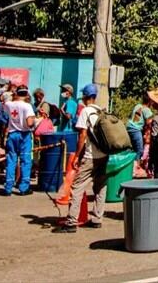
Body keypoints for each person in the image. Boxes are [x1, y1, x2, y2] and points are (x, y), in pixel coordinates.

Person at [55, 84, 106, 233]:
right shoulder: (101, 111)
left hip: (90, 156)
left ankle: (71, 222)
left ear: (85, 96)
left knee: (77, 187)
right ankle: (97, 219)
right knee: (100, 187)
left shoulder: (86, 111)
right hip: (103, 156)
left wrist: (77, 155)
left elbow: (82, 135)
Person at [3, 85, 35, 196]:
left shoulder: (9, 105)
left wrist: (12, 94)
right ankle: (24, 188)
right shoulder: (27, 106)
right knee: (25, 161)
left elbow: (3, 100)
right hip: (24, 135)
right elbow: (30, 123)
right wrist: (35, 121)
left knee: (11, 160)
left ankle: (8, 188)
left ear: (17, 93)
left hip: (12, 134)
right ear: (26, 94)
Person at [126, 93, 153, 163]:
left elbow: (135, 117)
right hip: (136, 129)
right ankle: (136, 164)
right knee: (140, 150)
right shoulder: (147, 110)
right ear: (150, 102)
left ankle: (129, 162)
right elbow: (149, 123)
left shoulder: (138, 106)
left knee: (132, 148)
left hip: (129, 127)